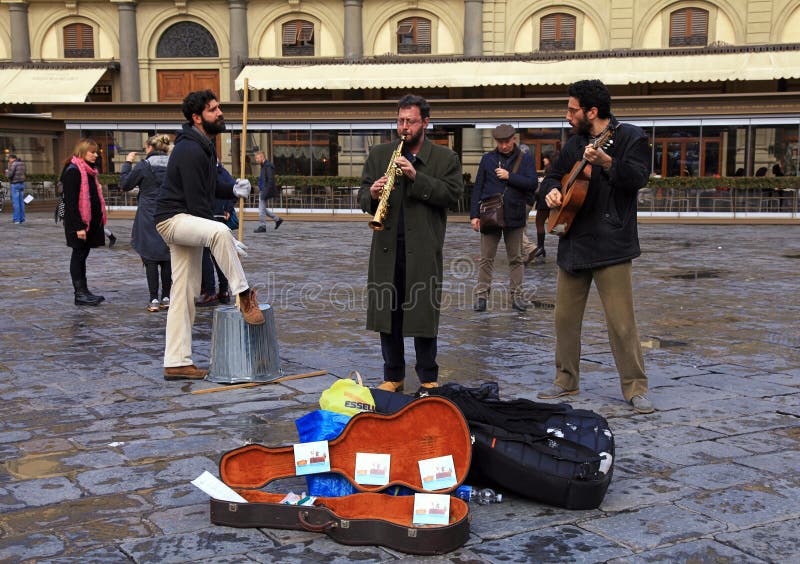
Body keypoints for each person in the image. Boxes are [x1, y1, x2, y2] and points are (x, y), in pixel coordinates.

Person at [537, 79, 655, 414]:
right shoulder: (574, 143)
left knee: (621, 322)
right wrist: (550, 191)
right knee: (564, 319)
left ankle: (635, 387)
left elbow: (637, 178)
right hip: (573, 240)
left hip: (612, 242)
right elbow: (552, 176)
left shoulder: (631, 137)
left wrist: (606, 162)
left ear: (592, 111)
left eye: (573, 109)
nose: (567, 115)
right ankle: (565, 380)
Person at [154, 89, 264, 382]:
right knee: (218, 232)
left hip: (185, 218)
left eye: (218, 108)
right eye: (213, 110)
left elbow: (211, 185)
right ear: (197, 117)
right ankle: (243, 296)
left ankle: (176, 362)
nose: (220, 113)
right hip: (173, 220)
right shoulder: (189, 149)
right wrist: (221, 235)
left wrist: (232, 189)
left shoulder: (203, 145)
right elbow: (195, 201)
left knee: (184, 293)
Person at [359, 94, 462, 392]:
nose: (404, 127)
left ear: (425, 123)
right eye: (400, 120)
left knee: (423, 312)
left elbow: (452, 196)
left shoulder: (445, 159)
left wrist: (417, 177)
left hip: (423, 251)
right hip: (386, 250)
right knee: (387, 314)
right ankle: (394, 376)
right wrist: (373, 194)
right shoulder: (380, 154)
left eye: (411, 121)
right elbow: (362, 195)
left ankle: (428, 376)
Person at [470, 124, 537, 313]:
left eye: (507, 142)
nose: (504, 146)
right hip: (490, 213)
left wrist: (510, 177)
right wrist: (474, 215)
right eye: (500, 143)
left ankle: (517, 297)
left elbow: (532, 184)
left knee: (516, 258)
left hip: (514, 214)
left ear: (514, 139)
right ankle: (481, 297)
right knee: (486, 258)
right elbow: (479, 186)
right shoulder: (488, 159)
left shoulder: (525, 159)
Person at [119, 134, 173, 312]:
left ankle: (153, 299)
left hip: (148, 215)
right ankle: (167, 296)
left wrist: (127, 163)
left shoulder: (143, 166)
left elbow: (125, 184)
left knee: (150, 257)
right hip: (168, 213)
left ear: (150, 148)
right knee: (167, 256)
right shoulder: (174, 165)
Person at [60, 139, 107, 306]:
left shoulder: (89, 170)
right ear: (82, 151)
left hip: (87, 223)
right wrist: (79, 226)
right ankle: (79, 294)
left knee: (82, 255)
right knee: (78, 255)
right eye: (92, 152)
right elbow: (71, 203)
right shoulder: (73, 170)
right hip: (78, 224)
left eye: (96, 152)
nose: (96, 155)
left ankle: (84, 291)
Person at [523, 151, 555, 264]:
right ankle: (542, 248)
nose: (543, 160)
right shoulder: (552, 169)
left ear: (549, 159)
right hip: (547, 198)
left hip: (544, 199)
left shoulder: (551, 169)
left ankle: (540, 248)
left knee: (539, 223)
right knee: (543, 223)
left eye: (545, 158)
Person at [253, 150, 283, 232]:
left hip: (264, 190)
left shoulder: (267, 166)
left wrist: (265, 192)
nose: (256, 160)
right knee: (262, 209)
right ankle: (277, 219)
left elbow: (270, 180)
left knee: (261, 209)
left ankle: (262, 226)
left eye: (257, 158)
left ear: (262, 157)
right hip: (263, 190)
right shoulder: (264, 166)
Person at [5, 154, 26, 224]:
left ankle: (16, 219)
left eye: (9, 159)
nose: (9, 160)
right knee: (21, 202)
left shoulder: (14, 164)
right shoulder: (23, 163)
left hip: (15, 184)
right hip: (22, 184)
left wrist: (7, 171)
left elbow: (9, 175)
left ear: (12, 158)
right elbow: (25, 173)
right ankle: (22, 219)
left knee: (16, 203)